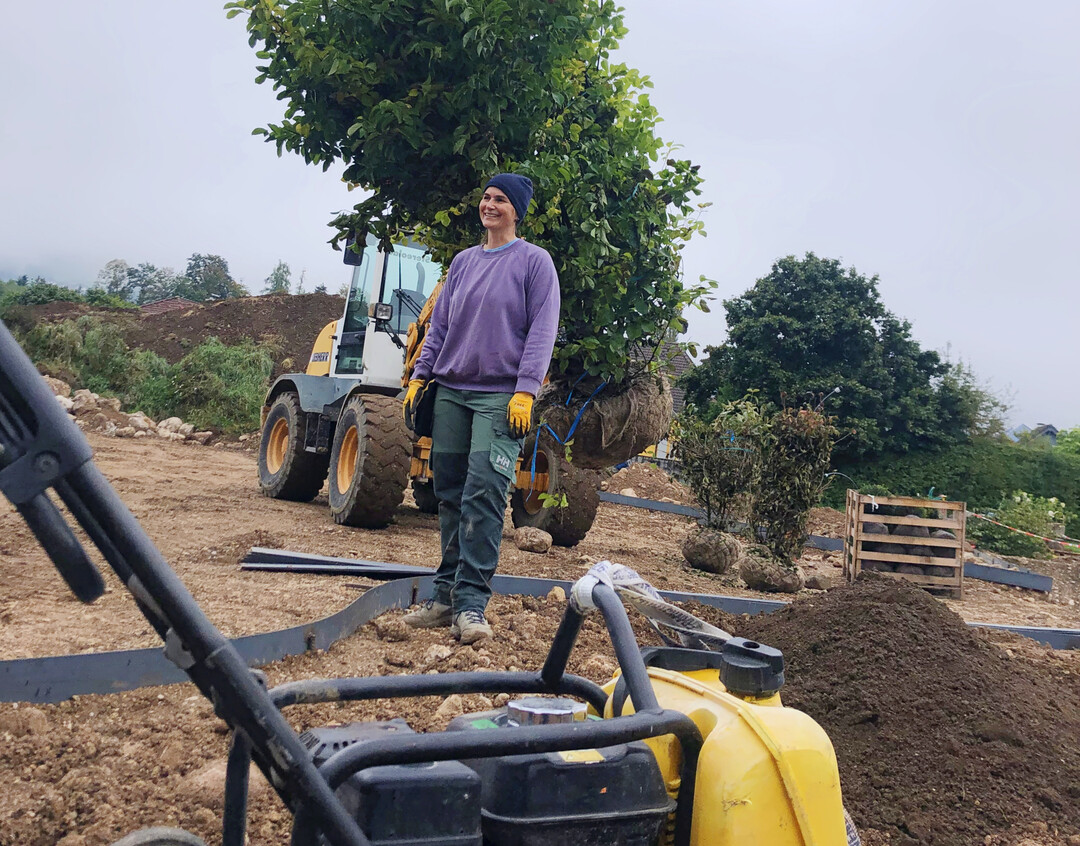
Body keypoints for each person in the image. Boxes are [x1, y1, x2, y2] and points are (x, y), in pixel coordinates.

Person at [401, 173, 560, 644]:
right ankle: (445, 597)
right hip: (451, 389)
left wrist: (526, 389)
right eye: (486, 198)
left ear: (517, 211)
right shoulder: (464, 263)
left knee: (485, 493)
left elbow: (542, 330)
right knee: (448, 492)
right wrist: (419, 376)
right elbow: (440, 327)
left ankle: (471, 605)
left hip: (500, 396)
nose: (489, 205)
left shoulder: (535, 263)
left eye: (500, 200)